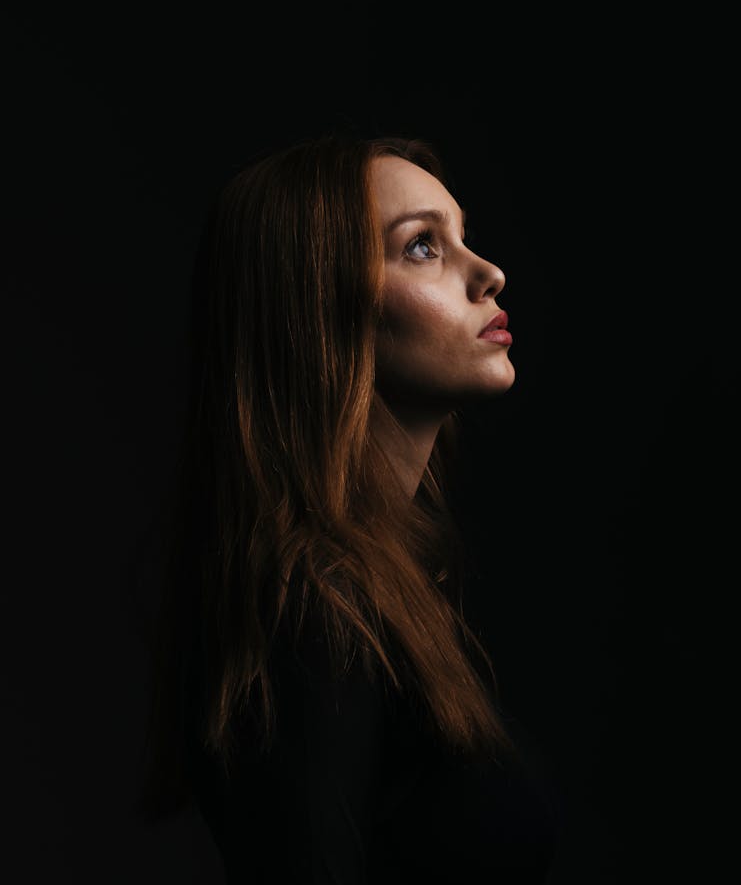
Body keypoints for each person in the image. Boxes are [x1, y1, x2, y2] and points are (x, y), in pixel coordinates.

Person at [138, 132, 558, 883]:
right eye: (423, 246)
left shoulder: (380, 591)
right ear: (318, 306)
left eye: (464, 237)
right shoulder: (316, 607)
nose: (489, 273)